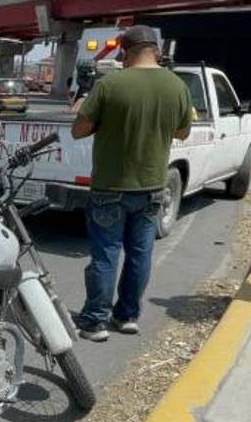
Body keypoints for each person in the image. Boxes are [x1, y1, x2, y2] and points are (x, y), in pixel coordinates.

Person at [71, 26, 193, 341]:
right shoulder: (177, 86)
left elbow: (79, 130)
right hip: (152, 186)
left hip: (109, 187)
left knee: (106, 255)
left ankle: (95, 321)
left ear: (125, 51)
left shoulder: (109, 84)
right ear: (157, 49)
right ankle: (127, 316)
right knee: (140, 254)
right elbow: (182, 133)